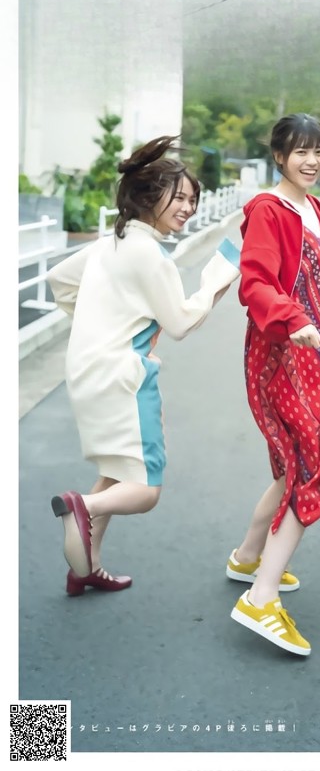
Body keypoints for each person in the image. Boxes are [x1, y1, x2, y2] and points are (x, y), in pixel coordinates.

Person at [47, 135, 240, 596]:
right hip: (124, 378)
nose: (189, 208)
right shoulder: (151, 255)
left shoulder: (113, 242)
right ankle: (82, 507)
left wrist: (101, 326)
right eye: (181, 198)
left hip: (88, 370)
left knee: (116, 469)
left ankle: (86, 567)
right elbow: (179, 322)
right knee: (146, 489)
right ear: (150, 196)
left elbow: (59, 281)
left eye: (194, 200)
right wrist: (224, 270)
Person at [228, 113, 320, 656]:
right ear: (279, 156)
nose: (312, 160)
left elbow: (318, 264)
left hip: (317, 349)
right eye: (300, 151)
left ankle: (246, 558)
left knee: (294, 465)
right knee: (314, 463)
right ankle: (261, 598)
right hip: (287, 351)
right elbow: (256, 281)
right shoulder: (268, 208)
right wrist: (293, 320)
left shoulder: (312, 207)